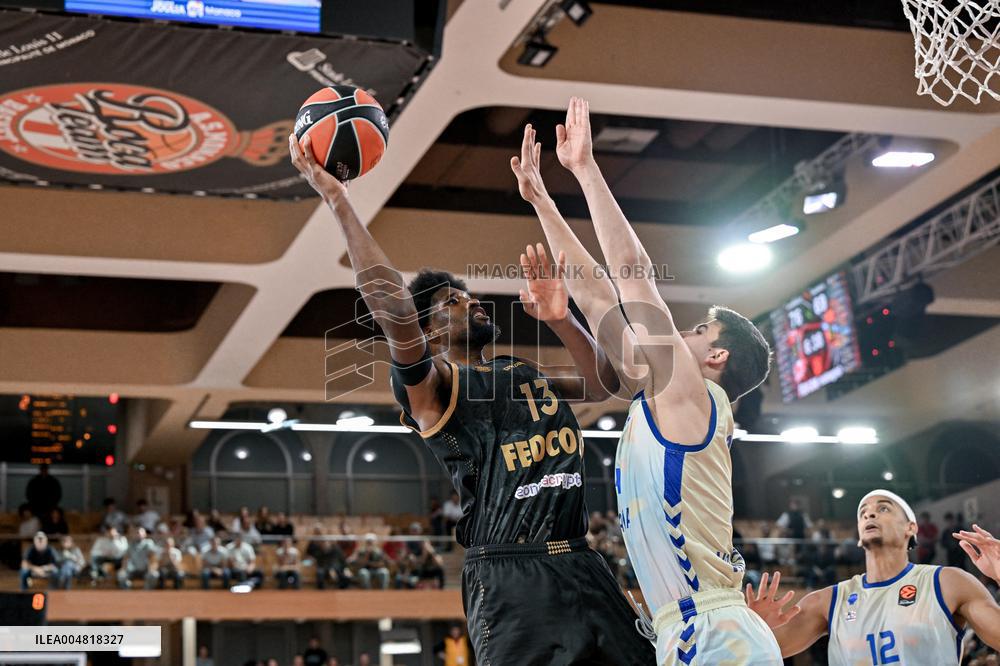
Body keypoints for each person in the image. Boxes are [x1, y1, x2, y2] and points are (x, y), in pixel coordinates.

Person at [290, 127, 653, 665]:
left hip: (583, 561)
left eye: (471, 296)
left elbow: (605, 382)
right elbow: (393, 314)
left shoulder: (520, 373)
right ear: (429, 329)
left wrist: (562, 320)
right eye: (454, 302)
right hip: (509, 574)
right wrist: (338, 200)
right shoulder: (435, 390)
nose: (472, 302)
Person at [510, 99, 775, 663]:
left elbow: (633, 277)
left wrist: (585, 169)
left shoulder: (695, 396)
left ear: (717, 355)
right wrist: (540, 201)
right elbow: (599, 295)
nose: (684, 329)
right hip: (685, 631)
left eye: (700, 329)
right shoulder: (665, 394)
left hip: (715, 631)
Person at [748, 489, 1000, 664]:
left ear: (910, 528)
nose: (870, 514)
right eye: (863, 512)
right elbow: (760, 654)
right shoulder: (828, 601)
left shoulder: (948, 582)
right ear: (858, 534)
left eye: (883, 508)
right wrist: (751, 628)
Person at [307, 525, 349, 590]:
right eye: (323, 542)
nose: (325, 544)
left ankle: (342, 590)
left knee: (344, 575)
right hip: (323, 568)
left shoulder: (336, 549)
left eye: (327, 542)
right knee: (319, 573)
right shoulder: (319, 551)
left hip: (335, 568)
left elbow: (342, 560)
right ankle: (321, 591)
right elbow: (317, 562)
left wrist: (346, 568)